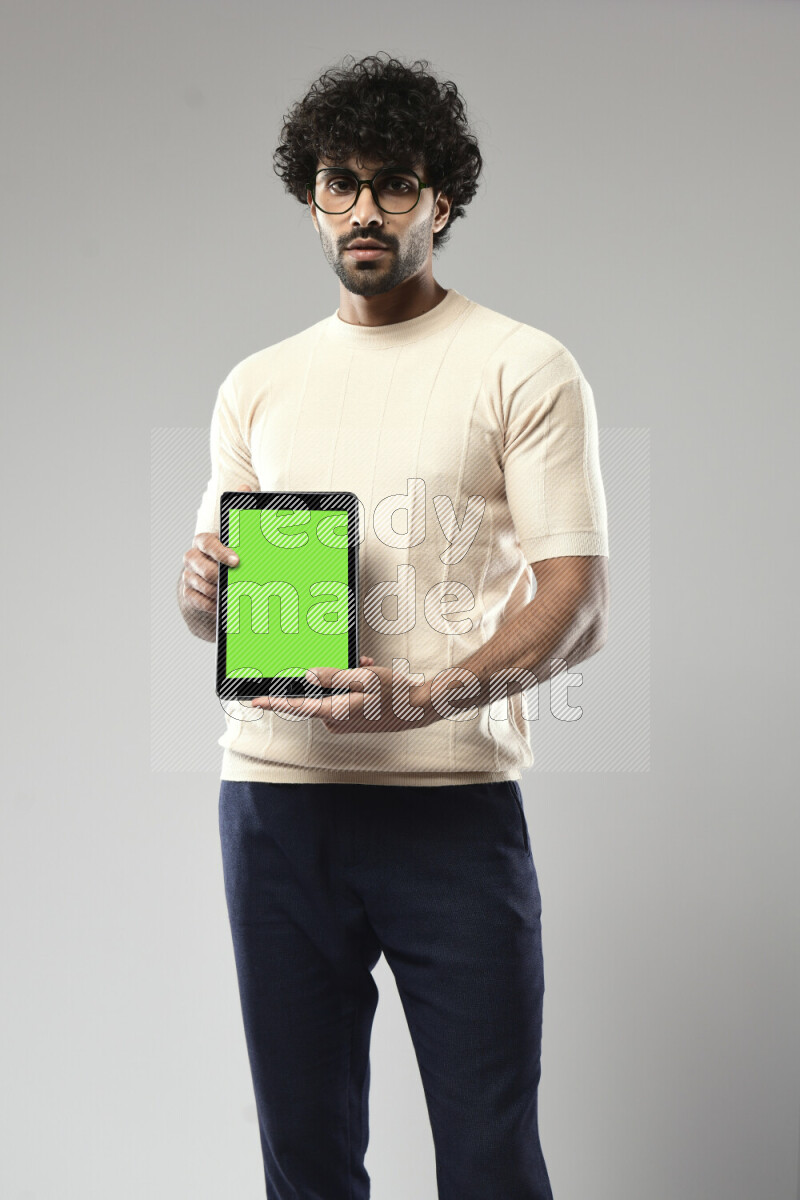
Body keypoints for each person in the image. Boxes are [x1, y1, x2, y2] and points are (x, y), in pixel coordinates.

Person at [178, 52, 610, 1200]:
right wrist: (198, 590)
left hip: (449, 814)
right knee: (305, 1162)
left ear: (441, 200)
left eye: (394, 183)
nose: (363, 209)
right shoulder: (255, 385)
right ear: (309, 198)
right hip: (275, 807)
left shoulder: (522, 366)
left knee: (487, 1162)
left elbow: (576, 603)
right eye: (338, 182)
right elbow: (203, 604)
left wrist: (419, 701)